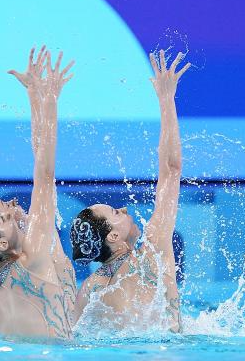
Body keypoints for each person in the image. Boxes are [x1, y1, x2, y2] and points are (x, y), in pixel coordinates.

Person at [0, 47, 76, 341]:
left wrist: (34, 95)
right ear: (2, 243)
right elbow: (44, 176)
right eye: (1, 216)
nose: (9, 209)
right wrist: (49, 99)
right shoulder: (35, 256)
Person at [69, 50, 189, 333]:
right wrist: (166, 99)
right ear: (113, 236)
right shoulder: (152, 255)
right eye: (115, 213)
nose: (123, 209)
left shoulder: (89, 289)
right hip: (168, 354)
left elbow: (70, 337)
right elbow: (171, 170)